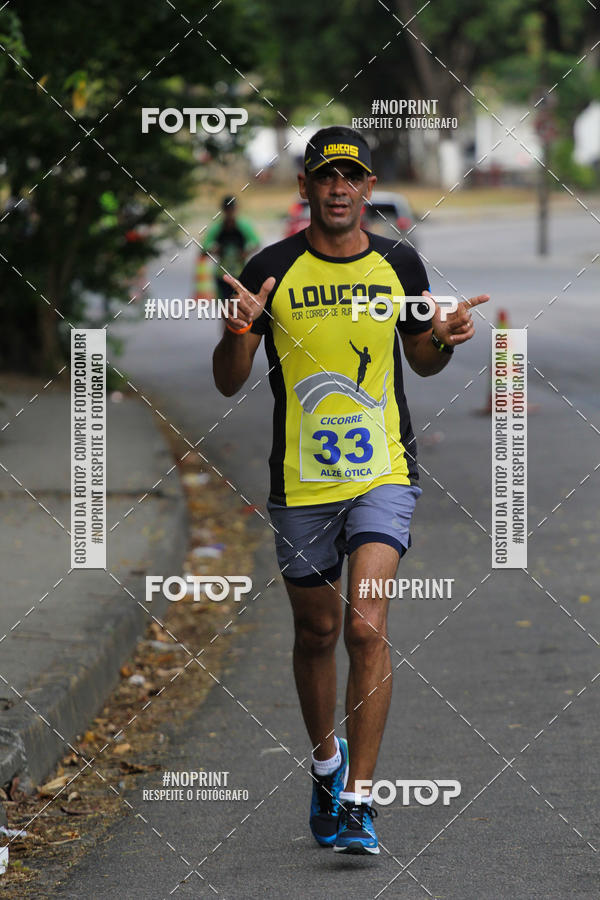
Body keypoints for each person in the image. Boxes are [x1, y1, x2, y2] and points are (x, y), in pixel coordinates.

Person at [213, 125, 489, 855]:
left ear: (368, 189)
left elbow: (420, 362)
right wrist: (236, 331)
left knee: (365, 626)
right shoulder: (269, 267)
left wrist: (445, 336)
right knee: (318, 633)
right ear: (305, 188)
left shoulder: (400, 262)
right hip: (299, 480)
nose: (339, 189)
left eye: (352, 178)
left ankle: (360, 803)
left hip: (382, 474)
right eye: (324, 177)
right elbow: (229, 380)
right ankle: (327, 766)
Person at [204, 195, 260, 300]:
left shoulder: (243, 226)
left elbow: (256, 242)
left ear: (236, 209)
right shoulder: (218, 227)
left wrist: (246, 252)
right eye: (227, 210)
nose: (230, 213)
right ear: (223, 210)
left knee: (240, 306)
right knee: (225, 307)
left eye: (232, 210)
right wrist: (214, 249)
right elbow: (205, 245)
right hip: (222, 275)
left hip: (240, 274)